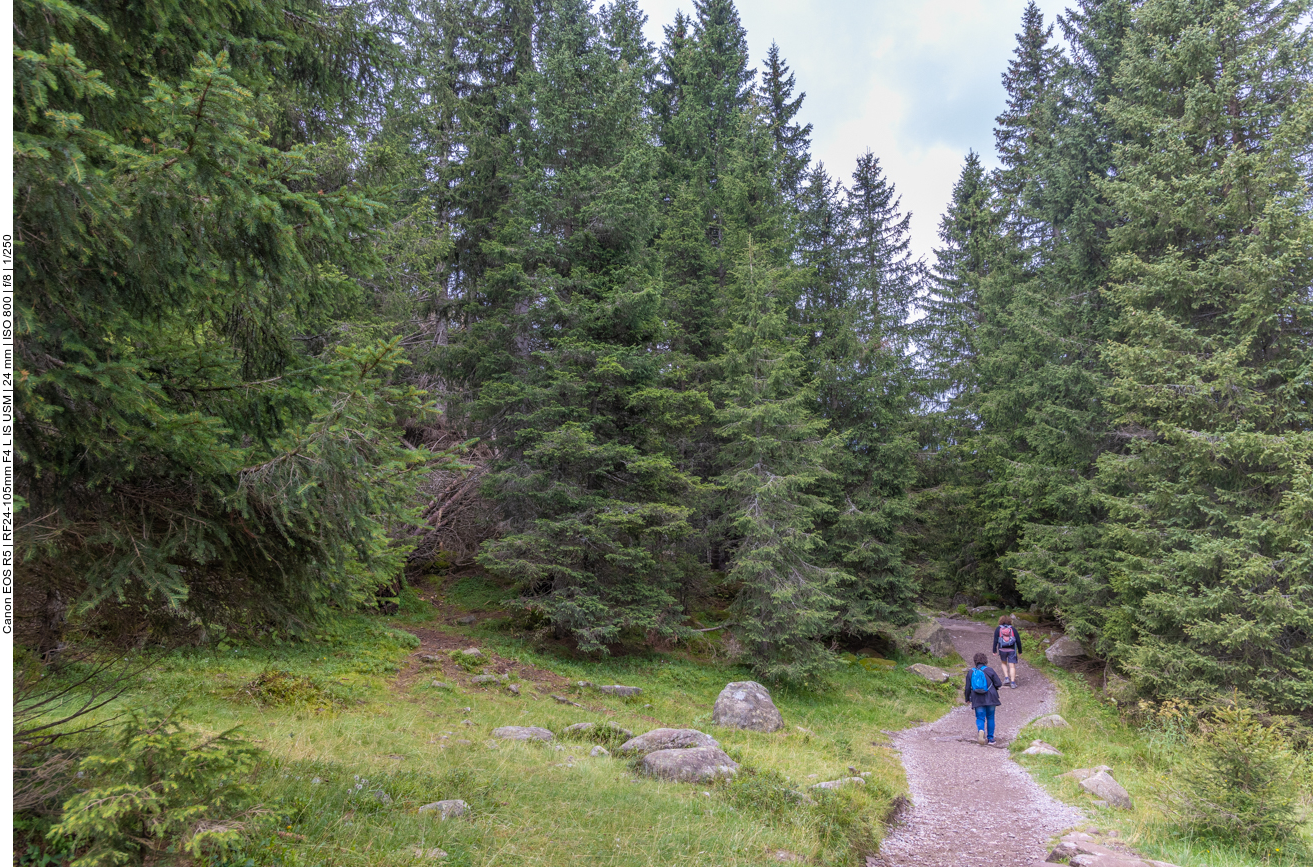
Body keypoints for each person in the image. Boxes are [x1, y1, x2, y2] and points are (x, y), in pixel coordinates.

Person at [964, 652, 1003, 745]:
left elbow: (967, 687)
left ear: (975, 661)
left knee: (980, 717)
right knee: (990, 717)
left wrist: (967, 698)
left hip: (977, 698)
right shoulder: (989, 670)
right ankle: (991, 739)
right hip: (991, 697)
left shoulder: (971, 672)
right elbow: (999, 683)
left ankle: (981, 730)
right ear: (985, 661)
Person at [992, 614, 1022, 688]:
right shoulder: (1013, 629)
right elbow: (1018, 640)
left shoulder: (998, 629)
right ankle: (1012, 682)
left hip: (1002, 649)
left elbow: (995, 640)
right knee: (1012, 666)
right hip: (1012, 649)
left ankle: (1006, 678)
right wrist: (1020, 651)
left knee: (1004, 663)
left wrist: (994, 650)